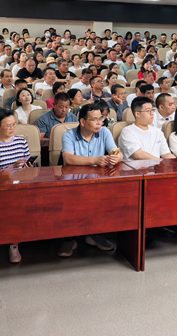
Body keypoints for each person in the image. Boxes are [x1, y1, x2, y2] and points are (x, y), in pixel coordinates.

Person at [56, 103, 124, 257]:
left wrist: (117, 157)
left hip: (97, 180)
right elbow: (68, 158)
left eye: (101, 118)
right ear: (82, 121)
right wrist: (95, 160)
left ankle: (95, 234)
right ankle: (69, 238)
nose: (99, 122)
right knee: (72, 202)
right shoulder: (69, 134)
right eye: (94, 119)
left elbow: (116, 151)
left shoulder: (104, 132)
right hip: (73, 181)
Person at [0, 109, 33, 263]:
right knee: (14, 204)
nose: (12, 128)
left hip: (23, 184)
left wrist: (29, 166)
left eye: (14, 124)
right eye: (8, 125)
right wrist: (12, 167)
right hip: (4, 187)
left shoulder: (21, 142)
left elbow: (28, 166)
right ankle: (14, 243)